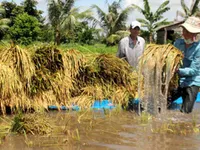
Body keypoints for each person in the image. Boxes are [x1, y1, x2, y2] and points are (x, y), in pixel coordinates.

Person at [168, 16, 200, 113]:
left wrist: (178, 70)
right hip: (179, 80)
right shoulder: (178, 43)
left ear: (194, 34)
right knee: (163, 102)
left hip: (192, 81)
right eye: (184, 31)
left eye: (187, 32)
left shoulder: (198, 48)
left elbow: (194, 70)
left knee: (185, 112)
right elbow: (171, 57)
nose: (184, 34)